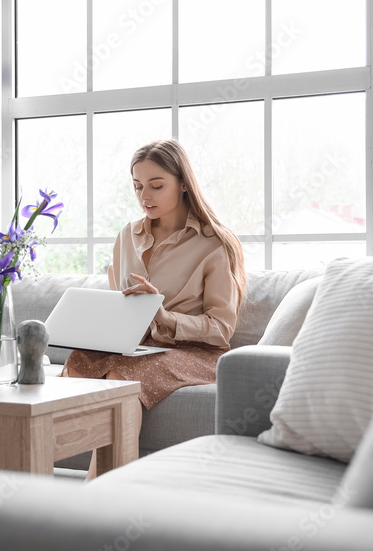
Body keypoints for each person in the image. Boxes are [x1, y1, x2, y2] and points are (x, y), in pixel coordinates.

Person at [61, 139, 247, 478]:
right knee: (76, 365)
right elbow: (118, 300)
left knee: (122, 377)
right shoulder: (126, 236)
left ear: (183, 184)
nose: (145, 196)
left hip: (195, 352)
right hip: (138, 346)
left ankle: (101, 493)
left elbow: (221, 328)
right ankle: (32, 482)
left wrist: (163, 316)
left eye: (156, 185)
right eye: (137, 187)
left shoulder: (214, 244)